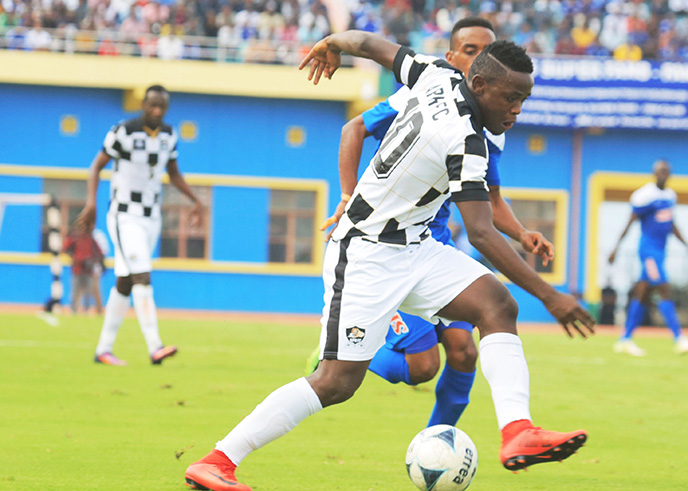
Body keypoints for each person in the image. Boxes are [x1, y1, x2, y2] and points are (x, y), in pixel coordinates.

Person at [184, 32, 595, 491]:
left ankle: (518, 431)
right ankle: (218, 460)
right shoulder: (466, 141)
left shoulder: (436, 73)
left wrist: (334, 42)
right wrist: (551, 296)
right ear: (479, 85)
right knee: (336, 382)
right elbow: (480, 232)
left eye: (523, 99)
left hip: (415, 246)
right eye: (511, 97)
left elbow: (371, 44)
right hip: (366, 253)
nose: (517, 109)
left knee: (496, 305)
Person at [310, 17, 556, 430]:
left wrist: (521, 232)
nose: (478, 58)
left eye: (486, 51)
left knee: (465, 350)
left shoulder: (490, 127)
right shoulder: (424, 90)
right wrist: (347, 196)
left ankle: (439, 439)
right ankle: (334, 356)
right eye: (471, 51)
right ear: (453, 56)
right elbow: (354, 127)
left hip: (435, 244)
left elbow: (490, 199)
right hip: (387, 243)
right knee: (422, 366)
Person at [76, 84, 203, 366]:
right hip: (124, 215)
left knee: (125, 282)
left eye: (162, 106)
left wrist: (196, 200)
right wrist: (91, 203)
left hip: (151, 217)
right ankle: (155, 346)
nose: (157, 111)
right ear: (143, 104)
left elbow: (173, 173)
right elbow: (96, 166)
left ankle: (103, 349)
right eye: (152, 105)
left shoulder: (169, 135)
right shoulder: (124, 131)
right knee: (142, 276)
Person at [607, 159, 688, 356]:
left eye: (665, 171)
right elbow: (629, 222)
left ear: (670, 173)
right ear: (654, 173)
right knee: (664, 288)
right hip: (649, 252)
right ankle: (679, 338)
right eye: (659, 171)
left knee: (643, 295)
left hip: (661, 252)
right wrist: (616, 248)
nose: (662, 174)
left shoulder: (670, 196)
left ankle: (625, 339)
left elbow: (672, 225)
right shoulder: (643, 196)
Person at [62, 222, 105, 315]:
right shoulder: (75, 238)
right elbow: (66, 249)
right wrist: (75, 258)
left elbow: (99, 253)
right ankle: (74, 311)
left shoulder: (91, 239)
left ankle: (86, 311)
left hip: (88, 270)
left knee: (88, 292)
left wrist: (91, 260)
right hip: (77, 269)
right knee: (75, 291)